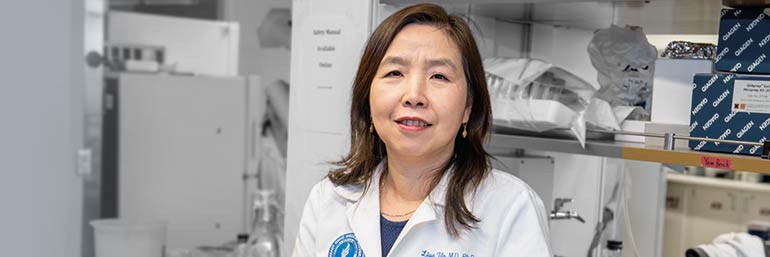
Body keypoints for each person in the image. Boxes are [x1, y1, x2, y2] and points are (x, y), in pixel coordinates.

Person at [291, 3, 552, 257]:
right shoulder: (328, 199)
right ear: (367, 99)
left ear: (467, 108)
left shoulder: (510, 208)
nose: (414, 96)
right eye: (395, 73)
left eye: (439, 76)